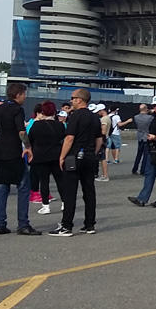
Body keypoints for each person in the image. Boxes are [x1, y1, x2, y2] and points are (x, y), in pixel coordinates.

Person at [0, 82, 41, 236]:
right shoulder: (17, 110)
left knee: (2, 187)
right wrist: (28, 147)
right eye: (24, 94)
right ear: (18, 95)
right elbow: (21, 131)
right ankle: (23, 224)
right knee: (23, 186)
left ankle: (0, 223)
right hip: (13, 151)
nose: (25, 97)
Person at [51, 88, 101, 236]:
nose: (71, 100)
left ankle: (66, 226)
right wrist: (93, 152)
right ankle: (89, 224)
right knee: (89, 191)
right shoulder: (94, 117)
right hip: (90, 156)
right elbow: (99, 139)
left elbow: (69, 138)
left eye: (73, 98)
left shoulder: (75, 116)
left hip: (74, 157)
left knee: (70, 192)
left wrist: (61, 156)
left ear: (79, 100)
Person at [27, 101, 65, 215]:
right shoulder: (60, 125)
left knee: (44, 181)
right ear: (54, 112)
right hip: (56, 155)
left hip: (41, 156)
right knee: (60, 180)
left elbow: (30, 139)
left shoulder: (36, 125)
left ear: (42, 111)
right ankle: (65, 203)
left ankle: (46, 205)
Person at [122, 104, 153, 176]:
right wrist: (150, 112)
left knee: (139, 154)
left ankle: (135, 168)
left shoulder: (136, 117)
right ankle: (143, 170)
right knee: (146, 155)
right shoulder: (150, 117)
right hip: (146, 136)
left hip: (140, 136)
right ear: (146, 109)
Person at [93, 104, 111, 182]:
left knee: (102, 158)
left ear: (102, 110)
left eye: (98, 111)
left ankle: (105, 175)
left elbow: (103, 131)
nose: (97, 113)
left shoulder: (104, 119)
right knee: (102, 158)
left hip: (102, 139)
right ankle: (104, 175)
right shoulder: (107, 118)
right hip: (105, 138)